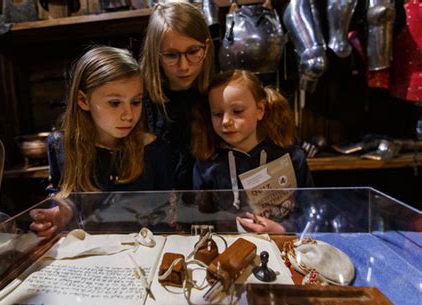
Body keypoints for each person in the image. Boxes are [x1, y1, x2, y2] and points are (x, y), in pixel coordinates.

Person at [31, 45, 173, 237]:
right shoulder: (62, 146)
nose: (129, 115)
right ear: (83, 101)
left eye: (136, 102)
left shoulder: (154, 149)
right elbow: (63, 199)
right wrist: (58, 215)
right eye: (115, 103)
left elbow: (164, 219)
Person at [191, 69, 313, 233]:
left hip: (282, 247)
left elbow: (310, 213)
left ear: (260, 110)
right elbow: (200, 220)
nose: (226, 121)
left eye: (237, 111)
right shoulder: (207, 166)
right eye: (218, 114)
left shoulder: (291, 158)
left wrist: (281, 229)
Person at [140, 1, 214, 189]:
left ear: (206, 47)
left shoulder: (219, 94)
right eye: (171, 55)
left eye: (192, 52)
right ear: (155, 53)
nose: (184, 66)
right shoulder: (137, 99)